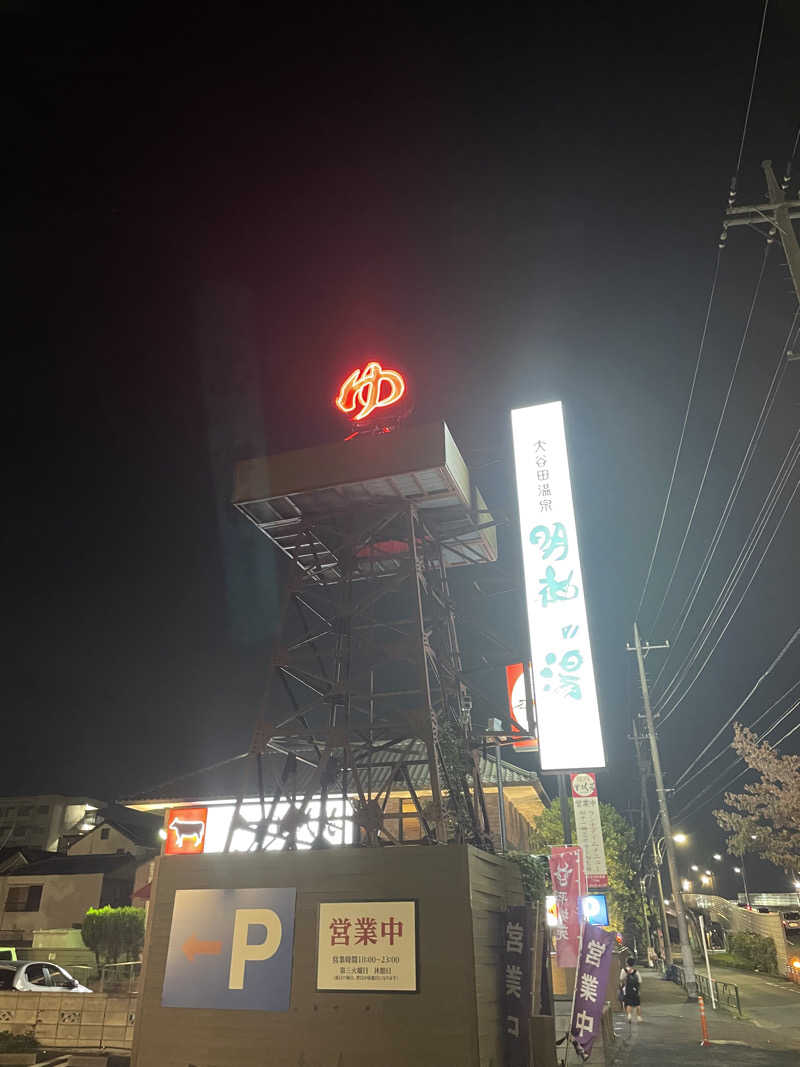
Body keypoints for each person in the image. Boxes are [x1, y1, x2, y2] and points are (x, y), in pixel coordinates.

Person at [619, 957, 641, 1023]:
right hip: (635, 990)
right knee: (637, 1004)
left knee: (628, 1003)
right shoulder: (636, 971)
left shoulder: (623, 970)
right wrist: (638, 990)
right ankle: (639, 1017)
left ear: (627, 963)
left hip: (627, 989)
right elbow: (639, 981)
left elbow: (621, 979)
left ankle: (629, 1015)